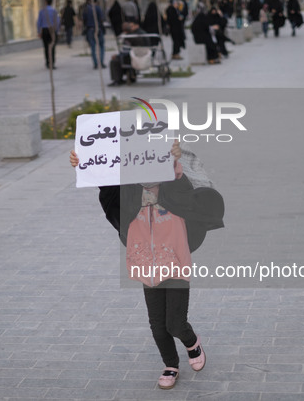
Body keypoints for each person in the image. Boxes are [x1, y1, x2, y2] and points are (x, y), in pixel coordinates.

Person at [69, 142, 224, 390]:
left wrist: (174, 160)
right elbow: (105, 181)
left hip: (174, 260)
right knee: (157, 324)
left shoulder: (173, 189)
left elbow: (180, 182)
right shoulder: (129, 193)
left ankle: (192, 342)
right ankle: (170, 365)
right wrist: (85, 162)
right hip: (146, 263)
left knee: (175, 323)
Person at [108, 20, 149, 86]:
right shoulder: (142, 33)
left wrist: (118, 55)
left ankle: (117, 80)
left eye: (132, 26)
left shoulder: (132, 36)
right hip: (144, 55)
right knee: (121, 58)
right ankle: (130, 76)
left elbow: (127, 50)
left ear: (137, 26)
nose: (130, 27)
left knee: (115, 60)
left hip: (136, 57)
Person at [82, 0, 106, 69]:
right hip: (98, 28)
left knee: (93, 47)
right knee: (101, 46)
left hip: (90, 29)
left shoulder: (86, 9)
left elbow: (84, 20)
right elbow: (101, 19)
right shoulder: (98, 8)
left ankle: (95, 63)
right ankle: (101, 62)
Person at [37, 0, 60, 69]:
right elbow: (57, 22)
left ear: (46, 2)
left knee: (46, 47)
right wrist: (56, 30)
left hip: (45, 30)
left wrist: (39, 31)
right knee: (52, 48)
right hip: (52, 30)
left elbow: (38, 22)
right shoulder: (54, 11)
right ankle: (52, 63)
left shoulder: (42, 11)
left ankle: (47, 62)